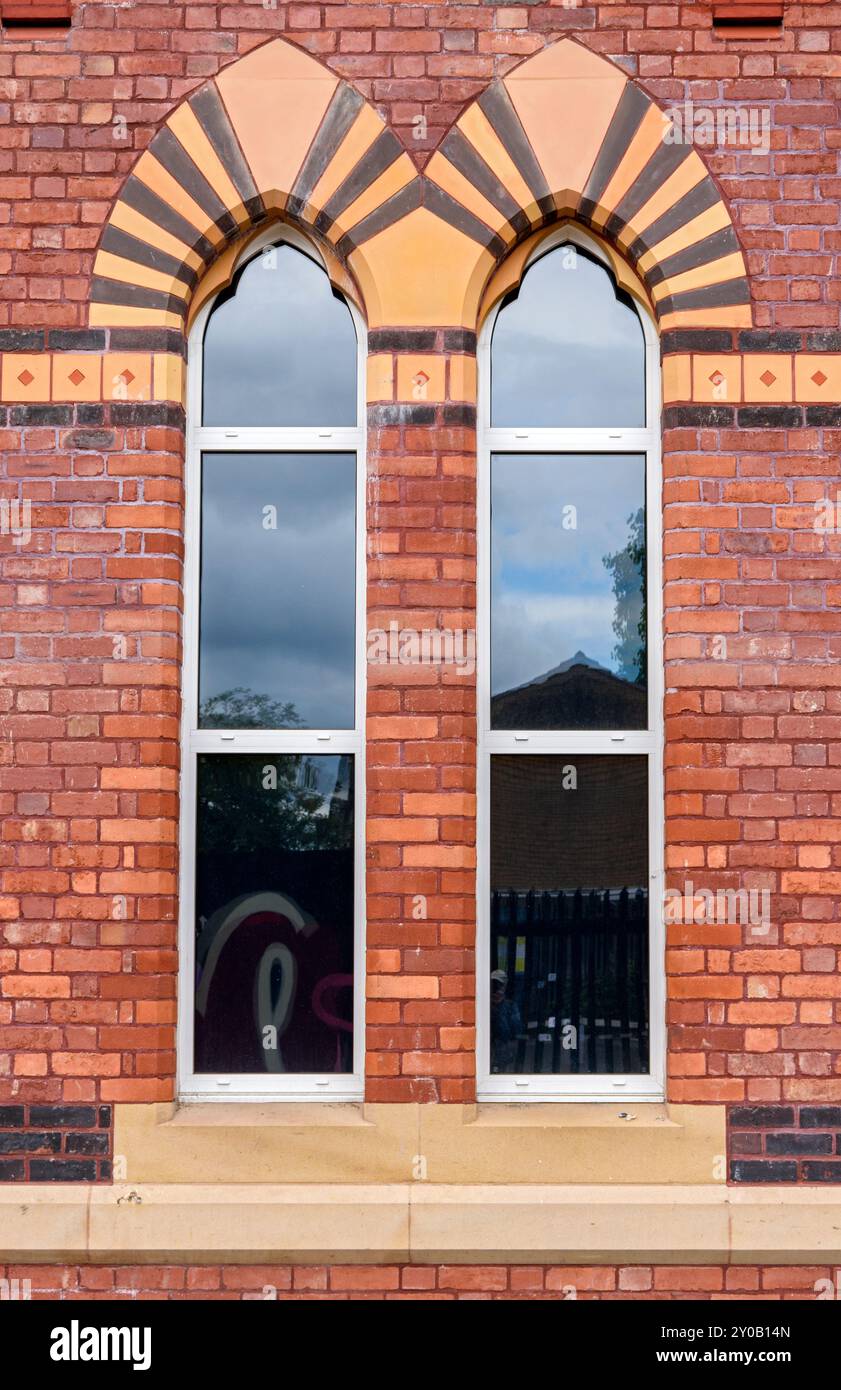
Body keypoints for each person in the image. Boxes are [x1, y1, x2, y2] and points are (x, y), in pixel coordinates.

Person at [490, 968, 522, 1072]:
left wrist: (500, 1005)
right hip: (488, 1052)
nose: (497, 988)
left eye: (500, 985)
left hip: (504, 1053)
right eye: (494, 985)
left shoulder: (510, 1006)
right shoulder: (483, 1005)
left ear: (505, 986)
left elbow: (514, 1031)